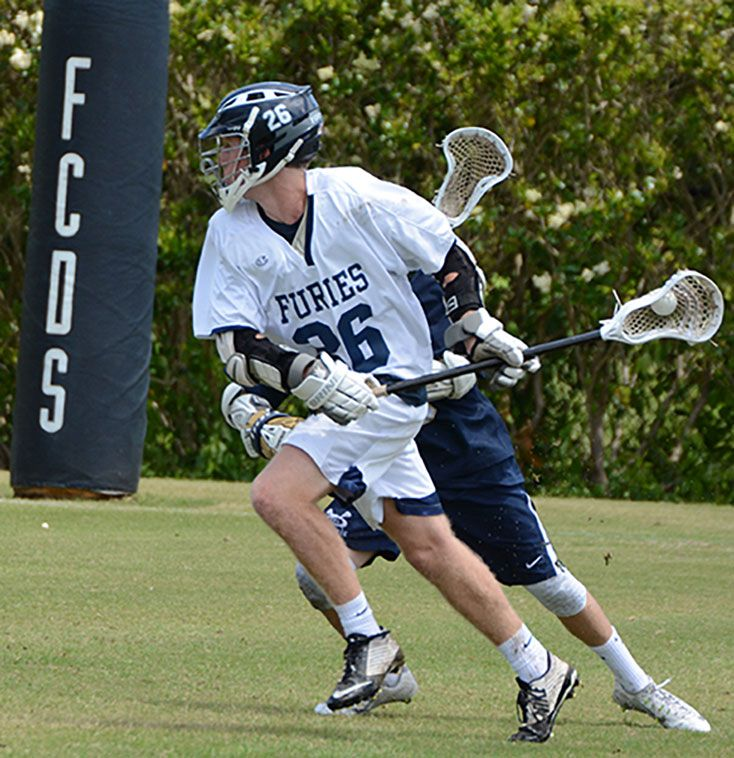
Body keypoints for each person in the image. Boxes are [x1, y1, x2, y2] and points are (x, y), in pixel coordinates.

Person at [193, 80, 577, 743]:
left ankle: (369, 642)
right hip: (345, 401)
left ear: (274, 147)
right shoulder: (228, 232)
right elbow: (237, 345)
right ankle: (540, 667)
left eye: (233, 147)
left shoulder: (353, 194)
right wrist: (311, 378)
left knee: (277, 495)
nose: (223, 161)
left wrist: (476, 325)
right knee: (429, 547)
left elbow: (446, 254)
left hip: (394, 392)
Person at [222, 269, 711, 733]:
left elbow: (469, 358)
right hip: (384, 461)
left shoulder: (426, 278)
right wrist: (257, 416)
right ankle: (388, 675)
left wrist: (457, 371)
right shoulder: (327, 283)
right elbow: (255, 384)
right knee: (315, 576)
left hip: (467, 458)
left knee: (551, 585)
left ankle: (637, 686)